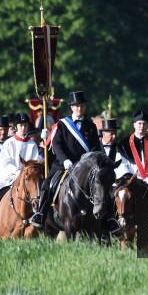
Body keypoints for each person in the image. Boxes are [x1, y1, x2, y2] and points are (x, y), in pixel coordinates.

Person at [30, 91, 101, 227]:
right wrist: (65, 160)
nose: (79, 108)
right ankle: (41, 214)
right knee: (47, 185)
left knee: (102, 185)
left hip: (85, 166)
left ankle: (108, 219)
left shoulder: (90, 126)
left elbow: (94, 146)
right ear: (71, 107)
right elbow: (57, 145)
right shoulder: (62, 124)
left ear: (85, 107)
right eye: (76, 106)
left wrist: (88, 162)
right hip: (63, 165)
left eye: (81, 106)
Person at [0, 113, 42, 234]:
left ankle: (40, 222)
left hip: (28, 180)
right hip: (9, 179)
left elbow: (35, 164)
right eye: (21, 125)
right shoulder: (9, 143)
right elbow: (4, 165)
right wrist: (18, 173)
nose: (23, 128)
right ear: (16, 127)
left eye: (25, 125)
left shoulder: (32, 145)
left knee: (40, 197)